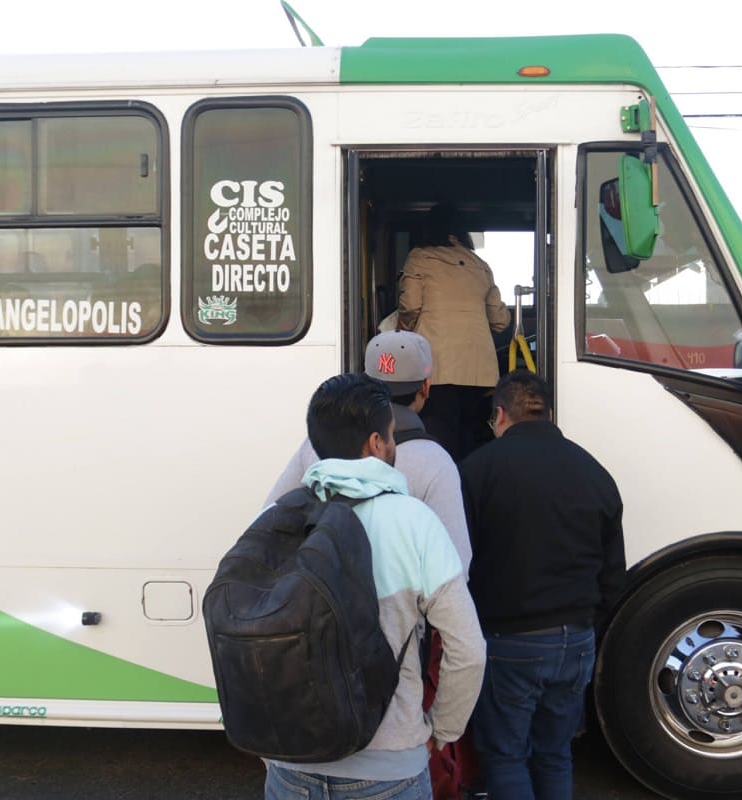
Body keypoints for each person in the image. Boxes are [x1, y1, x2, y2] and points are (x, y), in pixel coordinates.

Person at [264, 372, 486, 800]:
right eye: (390, 437)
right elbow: (468, 649)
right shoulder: (414, 522)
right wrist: (442, 730)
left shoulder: (275, 520)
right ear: (375, 444)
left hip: (291, 763)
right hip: (389, 767)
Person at [459, 370, 626, 800]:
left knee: (505, 756)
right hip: (577, 641)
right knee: (554, 754)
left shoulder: (476, 472)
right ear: (550, 414)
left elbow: (458, 563)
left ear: (499, 415)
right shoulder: (594, 471)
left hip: (509, 642)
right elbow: (613, 573)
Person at [265, 330, 471, 573]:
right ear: (425, 387)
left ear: (365, 382)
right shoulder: (435, 461)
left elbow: (269, 520)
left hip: (325, 599)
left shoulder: (316, 443)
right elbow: (456, 561)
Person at [397, 202, 511, 461]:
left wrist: (401, 332)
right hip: (480, 372)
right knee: (474, 442)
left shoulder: (419, 257)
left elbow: (410, 305)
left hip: (437, 369)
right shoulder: (480, 265)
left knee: (440, 441)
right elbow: (500, 321)